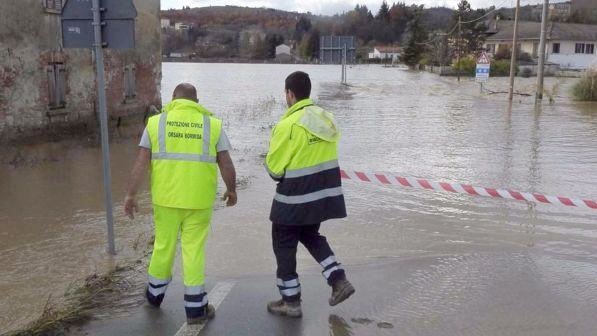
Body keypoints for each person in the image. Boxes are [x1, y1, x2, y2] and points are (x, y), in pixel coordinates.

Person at [124, 83, 237, 325]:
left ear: (174, 98)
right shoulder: (212, 125)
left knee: (163, 246)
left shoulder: (156, 123)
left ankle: (154, 296)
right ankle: (196, 309)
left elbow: (141, 162)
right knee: (193, 250)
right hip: (199, 201)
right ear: (196, 101)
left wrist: (131, 195)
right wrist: (231, 190)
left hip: (166, 200)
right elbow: (225, 163)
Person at [265, 71, 355, 318]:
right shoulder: (327, 119)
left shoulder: (288, 125)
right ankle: (338, 279)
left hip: (293, 199)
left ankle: (290, 301)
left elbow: (274, 170)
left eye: (285, 94)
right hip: (321, 197)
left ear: (290, 94)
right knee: (310, 234)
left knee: (283, 243)